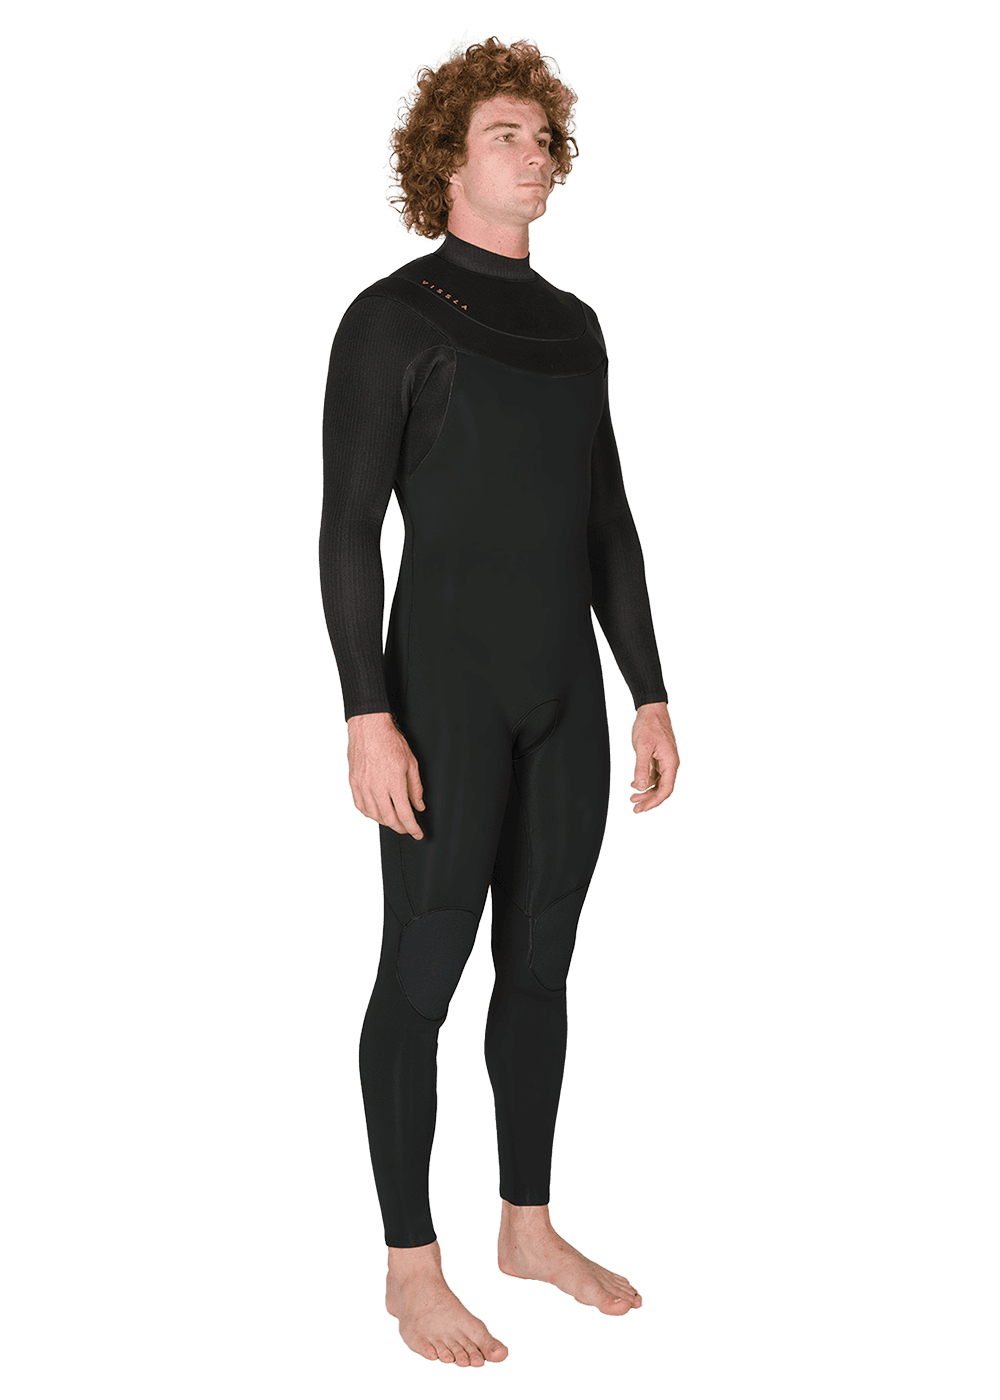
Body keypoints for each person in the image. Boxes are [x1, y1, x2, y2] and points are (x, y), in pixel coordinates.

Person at [319, 35, 679, 1366]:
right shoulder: (393, 315)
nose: (536, 155)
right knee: (425, 965)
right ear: (446, 160)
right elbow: (348, 531)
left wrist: (649, 694)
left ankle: (526, 1229)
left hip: (564, 696)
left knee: (540, 964)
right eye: (506, 135)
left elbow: (609, 525)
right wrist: (367, 714)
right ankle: (413, 1268)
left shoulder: (577, 324)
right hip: (441, 694)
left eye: (544, 135)